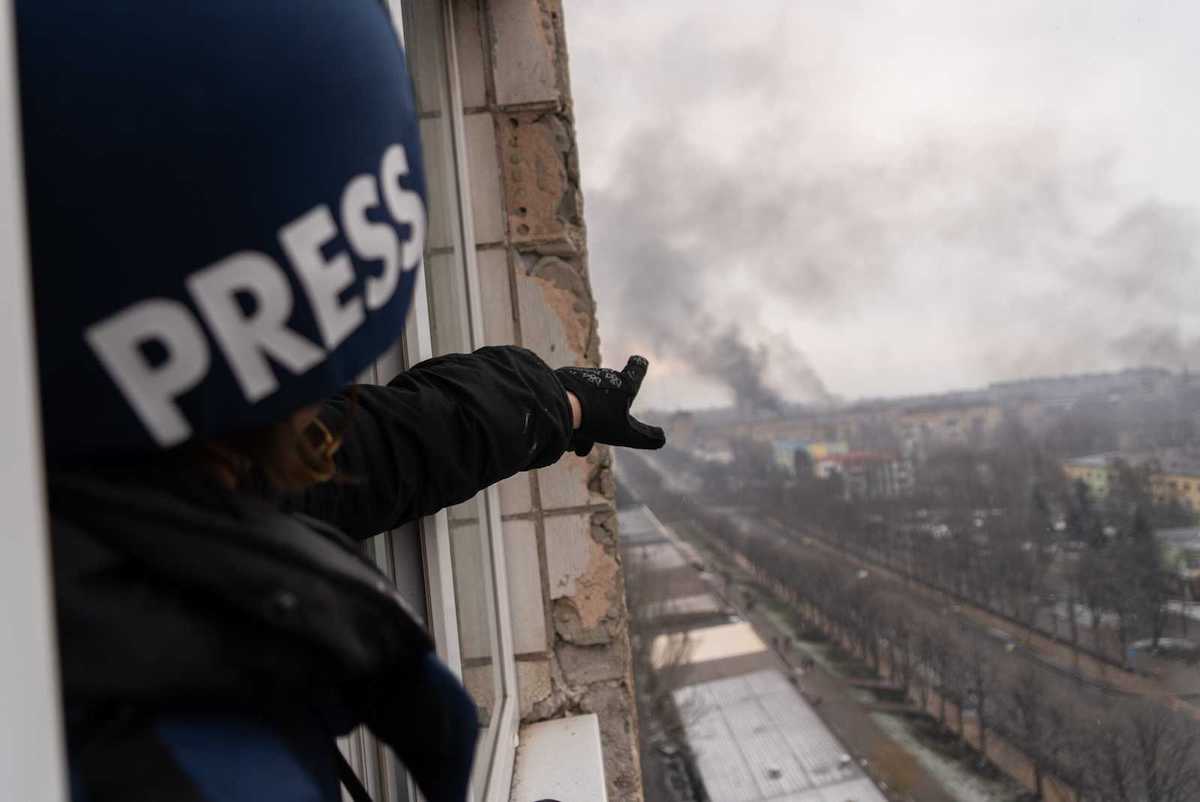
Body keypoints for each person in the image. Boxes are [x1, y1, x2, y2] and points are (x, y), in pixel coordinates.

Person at [17, 2, 665, 801]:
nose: (311, 416)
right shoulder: (156, 753)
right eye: (286, 392)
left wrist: (554, 401)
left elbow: (350, 458)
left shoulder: (117, 491)